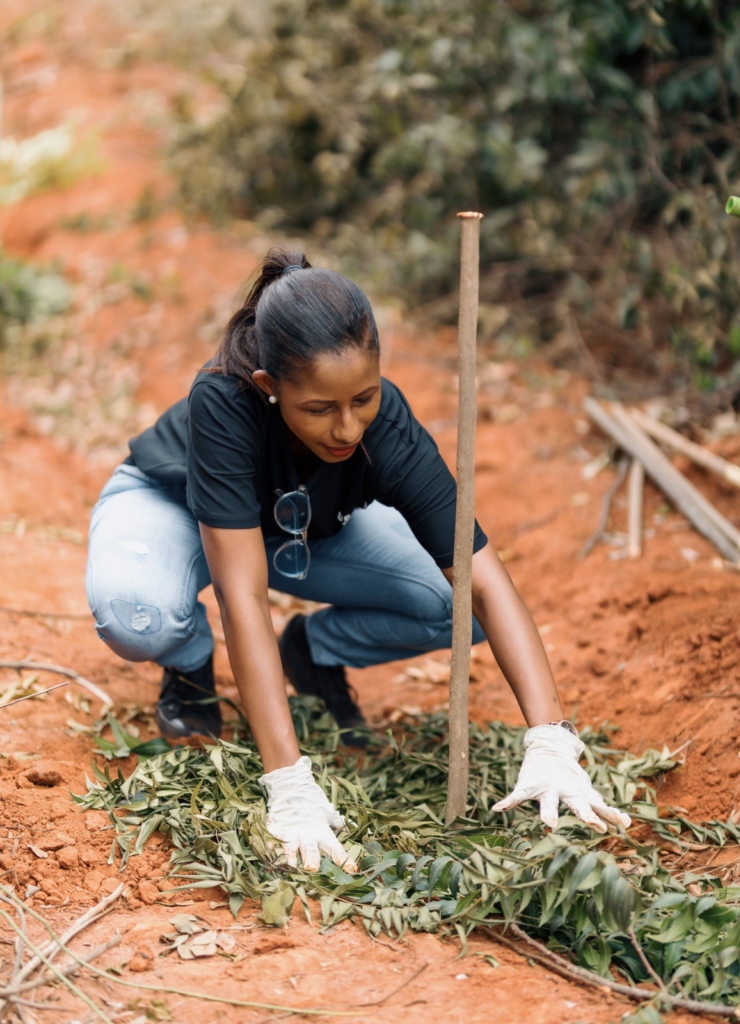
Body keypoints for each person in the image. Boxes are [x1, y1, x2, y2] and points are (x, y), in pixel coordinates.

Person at [85, 249, 631, 873]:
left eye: (363, 399)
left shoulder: (385, 424)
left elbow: (482, 578)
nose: (347, 428)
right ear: (269, 387)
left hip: (297, 527)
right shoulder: (224, 402)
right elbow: (243, 599)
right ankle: (187, 664)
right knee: (138, 616)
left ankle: (314, 651)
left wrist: (550, 738)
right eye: (319, 409)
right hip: (180, 508)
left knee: (457, 608)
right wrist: (288, 785)